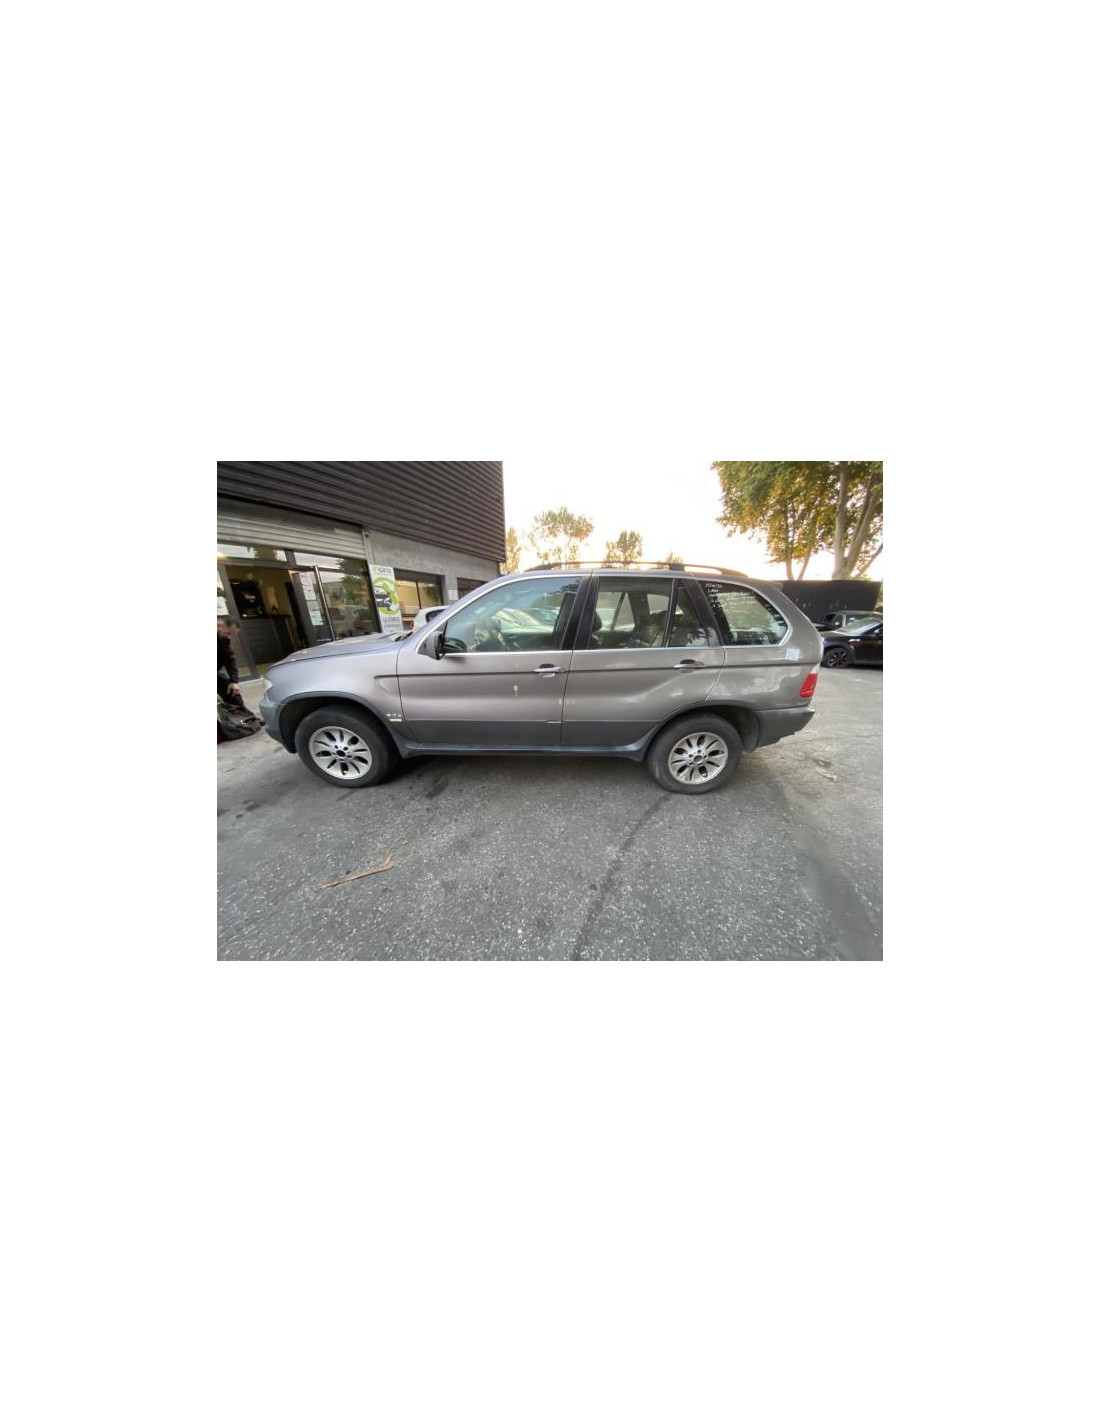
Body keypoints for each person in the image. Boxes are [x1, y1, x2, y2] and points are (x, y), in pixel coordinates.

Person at [217, 618, 248, 712]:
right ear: (218, 626)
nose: (229, 637)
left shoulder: (224, 639)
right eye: (228, 633)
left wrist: (234, 681)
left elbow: (229, 659)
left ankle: (244, 716)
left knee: (232, 692)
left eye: (232, 635)